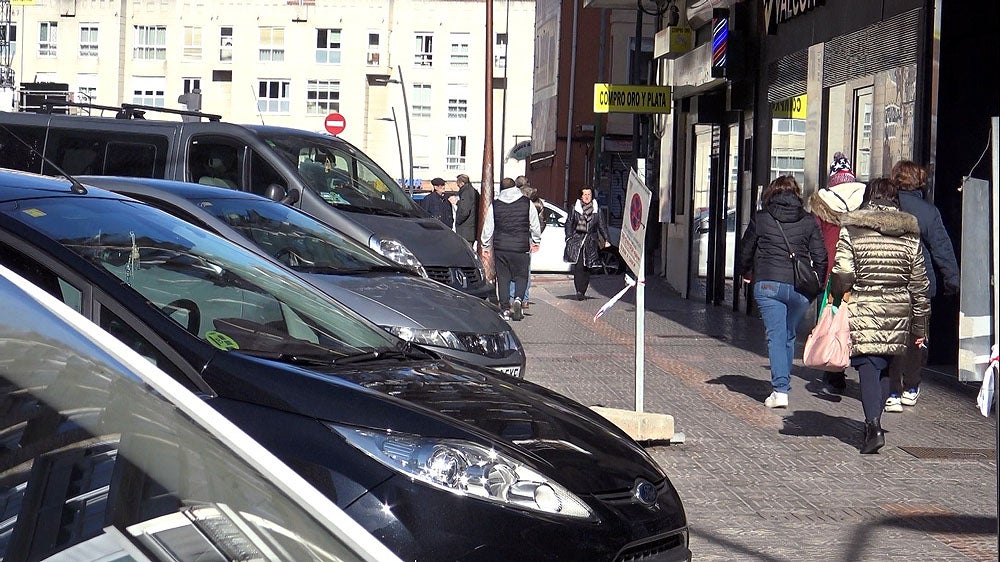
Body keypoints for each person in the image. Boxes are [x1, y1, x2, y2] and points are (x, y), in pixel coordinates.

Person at [830, 177, 930, 454]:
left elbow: (842, 274)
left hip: (864, 308)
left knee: (867, 367)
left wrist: (837, 296)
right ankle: (875, 421)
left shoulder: (853, 230)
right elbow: (920, 284)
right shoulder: (910, 234)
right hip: (899, 309)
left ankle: (872, 424)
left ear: (869, 197)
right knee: (887, 366)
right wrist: (920, 328)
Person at [737, 175, 827, 409]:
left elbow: (746, 249)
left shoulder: (762, 218)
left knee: (776, 335)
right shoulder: (808, 220)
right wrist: (817, 283)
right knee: (788, 335)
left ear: (771, 193)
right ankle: (782, 383)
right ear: (796, 194)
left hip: (768, 284)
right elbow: (821, 257)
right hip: (800, 288)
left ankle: (780, 389)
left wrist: (745, 271)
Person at [883, 160, 960, 412]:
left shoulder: (886, 207)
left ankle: (892, 391)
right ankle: (912, 386)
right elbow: (942, 248)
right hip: (920, 283)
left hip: (890, 279)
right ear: (920, 181)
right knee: (917, 336)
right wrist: (952, 280)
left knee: (891, 334)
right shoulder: (928, 211)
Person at [811, 152, 867, 393]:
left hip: (834, 270)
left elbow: (816, 239)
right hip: (862, 268)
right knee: (862, 320)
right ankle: (867, 371)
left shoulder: (822, 204)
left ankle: (834, 373)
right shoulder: (865, 199)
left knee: (834, 319)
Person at [481, 177, 541, 321]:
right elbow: (534, 224)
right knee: (521, 276)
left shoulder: (495, 205)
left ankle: (505, 309)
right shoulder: (526, 203)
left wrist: (485, 246)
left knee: (503, 278)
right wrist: (536, 241)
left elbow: (488, 227)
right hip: (521, 246)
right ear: (515, 187)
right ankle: (519, 299)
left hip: (501, 247)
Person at [563, 186, 611, 301]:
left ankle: (583, 290)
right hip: (577, 241)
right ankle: (579, 291)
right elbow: (569, 223)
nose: (587, 197)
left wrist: (607, 239)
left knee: (587, 267)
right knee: (579, 267)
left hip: (590, 241)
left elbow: (602, 226)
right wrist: (569, 237)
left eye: (589, 194)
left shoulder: (596, 210)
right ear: (581, 196)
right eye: (584, 194)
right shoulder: (575, 208)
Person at [510, 176, 546, 309]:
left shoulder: (514, 198)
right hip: (529, 237)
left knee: (512, 268)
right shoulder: (537, 201)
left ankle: (513, 296)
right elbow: (542, 222)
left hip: (515, 235)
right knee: (526, 268)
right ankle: (524, 298)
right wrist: (536, 238)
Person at [454, 173, 479, 246]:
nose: (457, 186)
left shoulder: (466, 192)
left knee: (465, 252)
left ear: (461, 183)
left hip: (465, 230)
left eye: (458, 184)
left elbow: (464, 211)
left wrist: (458, 221)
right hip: (470, 228)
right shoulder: (473, 191)